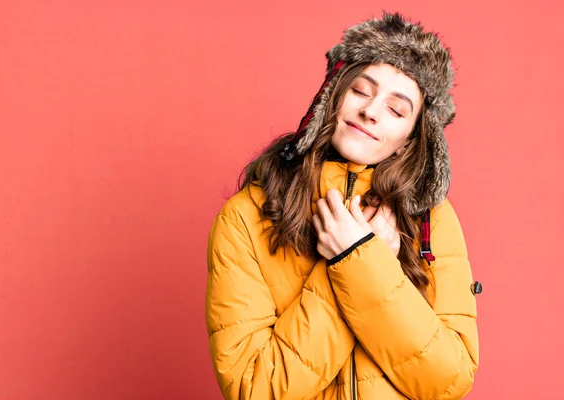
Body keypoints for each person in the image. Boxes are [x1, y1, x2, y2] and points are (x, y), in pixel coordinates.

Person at [205, 11, 480, 400]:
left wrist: (360, 261)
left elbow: (448, 380)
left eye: (396, 109)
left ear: (409, 138)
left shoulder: (431, 217)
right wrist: (354, 258)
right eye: (361, 91)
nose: (371, 111)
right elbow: (255, 389)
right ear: (333, 96)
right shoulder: (246, 214)